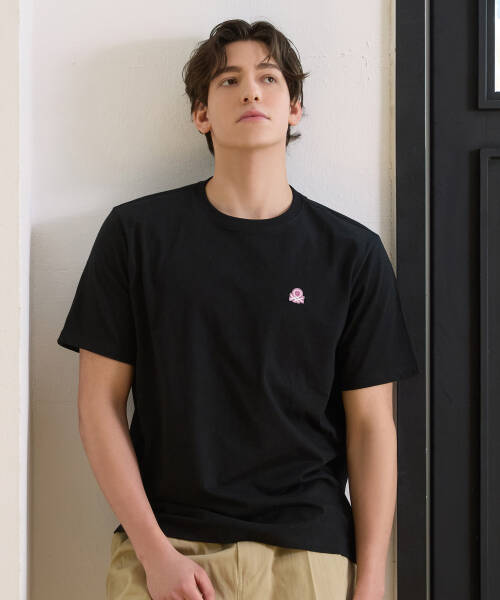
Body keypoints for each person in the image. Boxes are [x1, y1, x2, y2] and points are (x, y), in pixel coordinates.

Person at [57, 18, 420, 600]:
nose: (251, 91)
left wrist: (372, 579)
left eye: (269, 77)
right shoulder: (136, 236)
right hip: (169, 551)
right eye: (229, 80)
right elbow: (98, 404)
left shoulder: (352, 254)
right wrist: (154, 554)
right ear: (201, 114)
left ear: (295, 107)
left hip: (309, 555)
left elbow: (373, 426)